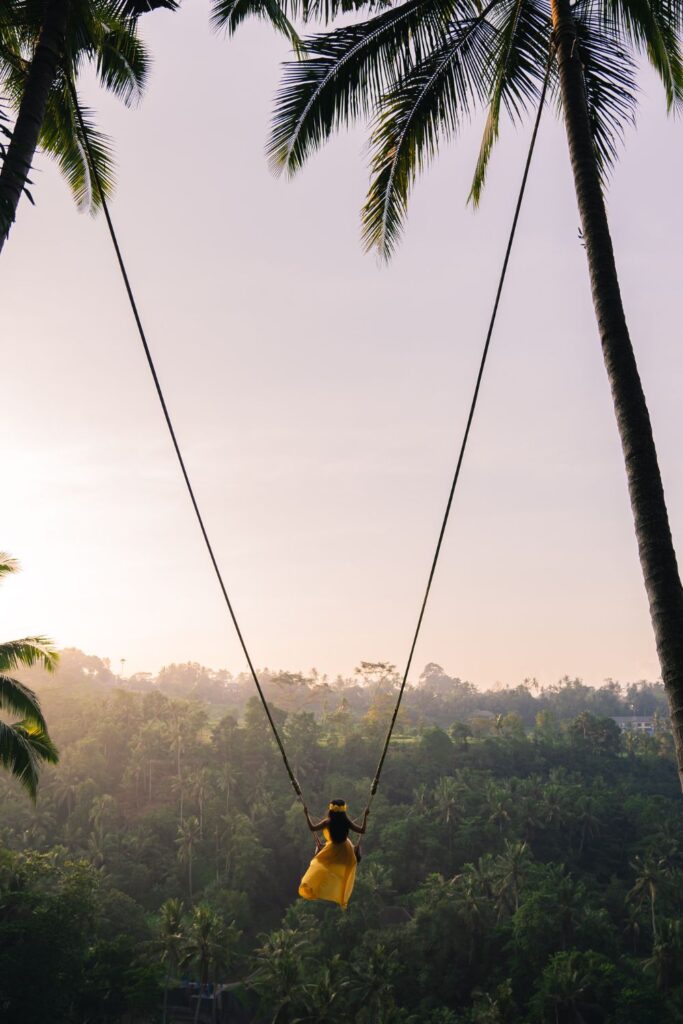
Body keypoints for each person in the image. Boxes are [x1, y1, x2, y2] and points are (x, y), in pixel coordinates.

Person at [298, 799, 369, 910]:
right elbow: (362, 830)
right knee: (344, 870)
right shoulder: (346, 822)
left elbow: (312, 828)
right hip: (346, 852)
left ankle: (317, 887)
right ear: (343, 811)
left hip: (332, 850)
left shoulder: (328, 822)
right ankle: (339, 893)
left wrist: (306, 815)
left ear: (331, 810)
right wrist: (365, 816)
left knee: (318, 864)